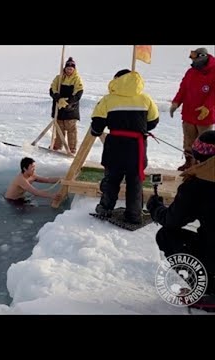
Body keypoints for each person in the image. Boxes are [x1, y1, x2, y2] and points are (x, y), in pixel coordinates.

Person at [147, 130, 215, 311]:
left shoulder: (198, 186)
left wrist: (155, 207)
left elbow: (172, 220)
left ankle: (209, 292)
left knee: (167, 235)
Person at [90, 69, 159, 224]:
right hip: (137, 146)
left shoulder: (107, 100)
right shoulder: (146, 99)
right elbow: (153, 122)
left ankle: (105, 208)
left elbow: (97, 126)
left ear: (116, 80)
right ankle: (134, 215)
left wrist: (97, 131)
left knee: (112, 179)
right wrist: (139, 128)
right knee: (135, 181)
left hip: (115, 146)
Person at [169, 47, 215, 171]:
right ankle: (189, 163)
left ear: (202, 57)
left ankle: (204, 167)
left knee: (206, 143)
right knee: (188, 141)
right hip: (189, 113)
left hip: (204, 115)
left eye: (194, 57)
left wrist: (207, 107)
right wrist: (176, 102)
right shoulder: (190, 72)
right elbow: (183, 88)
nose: (192, 60)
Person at [49, 57, 84, 154]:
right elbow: (52, 89)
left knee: (71, 129)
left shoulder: (77, 79)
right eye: (67, 69)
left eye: (71, 69)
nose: (69, 71)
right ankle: (57, 146)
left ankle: (72, 149)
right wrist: (58, 98)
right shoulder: (59, 78)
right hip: (59, 107)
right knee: (59, 127)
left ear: (74, 69)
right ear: (64, 68)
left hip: (71, 108)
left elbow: (78, 92)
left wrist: (69, 103)